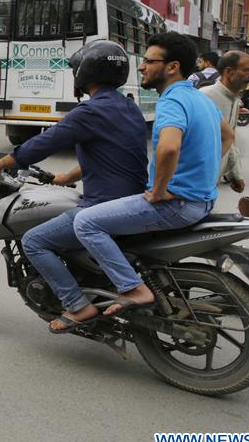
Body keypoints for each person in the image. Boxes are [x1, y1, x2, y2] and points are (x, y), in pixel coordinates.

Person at [0, 40, 148, 327]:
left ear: (84, 73)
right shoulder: (129, 108)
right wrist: (68, 177)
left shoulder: (89, 112)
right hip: (131, 201)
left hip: (104, 205)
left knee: (34, 240)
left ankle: (76, 305)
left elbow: (40, 145)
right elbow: (110, 153)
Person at [71, 32, 234, 316]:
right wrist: (202, 170)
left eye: (148, 60)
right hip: (202, 200)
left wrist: (159, 190)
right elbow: (228, 136)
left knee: (85, 223)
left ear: (172, 67)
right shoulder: (201, 99)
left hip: (176, 204)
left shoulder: (171, 100)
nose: (142, 66)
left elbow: (169, 148)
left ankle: (132, 288)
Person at [200, 51, 249, 193]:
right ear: (229, 72)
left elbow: (229, 141)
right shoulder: (205, 97)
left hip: (212, 184)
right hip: (197, 184)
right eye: (247, 70)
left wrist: (235, 174)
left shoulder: (234, 100)